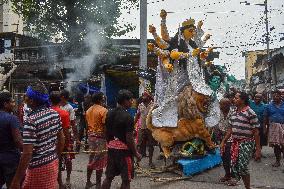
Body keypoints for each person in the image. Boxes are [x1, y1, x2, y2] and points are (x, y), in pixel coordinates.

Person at [10, 84, 65, 189]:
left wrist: (16, 180)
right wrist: (54, 156)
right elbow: (61, 140)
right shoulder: (54, 114)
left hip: (37, 168)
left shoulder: (31, 120)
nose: (24, 98)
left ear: (31, 101)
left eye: (26, 96)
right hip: (52, 163)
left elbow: (27, 153)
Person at [101, 90, 142, 189]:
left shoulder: (109, 113)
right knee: (126, 180)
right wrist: (136, 153)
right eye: (131, 100)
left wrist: (111, 143)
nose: (132, 102)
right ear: (125, 101)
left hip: (111, 149)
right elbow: (129, 138)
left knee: (109, 177)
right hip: (124, 153)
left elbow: (106, 132)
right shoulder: (128, 117)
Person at [221, 92, 261, 188]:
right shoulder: (234, 112)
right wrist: (224, 141)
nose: (234, 99)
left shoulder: (250, 112)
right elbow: (231, 128)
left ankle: (247, 187)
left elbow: (256, 132)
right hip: (235, 142)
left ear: (243, 100)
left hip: (246, 142)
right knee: (234, 164)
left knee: (243, 166)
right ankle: (237, 180)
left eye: (236, 98)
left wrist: (258, 150)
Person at [85, 92, 108, 189]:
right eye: (103, 98)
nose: (104, 99)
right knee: (100, 160)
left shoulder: (88, 110)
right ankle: (98, 184)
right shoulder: (103, 110)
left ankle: (88, 182)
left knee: (92, 158)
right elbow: (105, 126)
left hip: (91, 137)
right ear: (99, 100)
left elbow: (87, 126)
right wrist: (108, 138)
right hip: (100, 138)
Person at [0, 92, 23, 189]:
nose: (14, 104)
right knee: (13, 184)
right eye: (12, 102)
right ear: (5, 104)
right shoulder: (12, 118)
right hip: (11, 159)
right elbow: (18, 141)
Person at [50, 91, 71, 189]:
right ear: (60, 100)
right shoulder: (64, 113)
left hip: (48, 142)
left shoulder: (46, 111)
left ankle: (56, 182)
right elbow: (66, 132)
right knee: (60, 162)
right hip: (60, 142)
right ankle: (61, 183)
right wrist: (67, 144)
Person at [60, 89, 80, 186]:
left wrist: (76, 138)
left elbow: (73, 124)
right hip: (57, 136)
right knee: (58, 158)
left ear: (63, 97)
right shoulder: (57, 106)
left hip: (68, 135)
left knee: (68, 158)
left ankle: (68, 177)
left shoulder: (70, 108)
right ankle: (59, 179)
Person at [134, 92, 156, 168]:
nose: (143, 97)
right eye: (142, 96)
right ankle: (137, 163)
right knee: (138, 145)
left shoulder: (154, 105)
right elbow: (137, 115)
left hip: (150, 128)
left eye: (145, 96)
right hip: (142, 128)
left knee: (151, 145)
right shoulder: (140, 105)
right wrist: (133, 125)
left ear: (149, 97)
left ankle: (150, 162)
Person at [264, 90, 284, 167]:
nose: (275, 97)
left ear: (280, 96)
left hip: (283, 127)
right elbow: (265, 117)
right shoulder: (269, 106)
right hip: (273, 127)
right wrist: (265, 128)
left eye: (277, 96)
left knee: (283, 145)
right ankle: (277, 161)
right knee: (276, 145)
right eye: (274, 96)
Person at [218, 98, 233, 183]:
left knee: (229, 157)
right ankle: (227, 175)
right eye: (220, 104)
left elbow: (231, 129)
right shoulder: (219, 112)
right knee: (223, 157)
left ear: (228, 105)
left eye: (223, 104)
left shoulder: (233, 113)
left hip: (231, 137)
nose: (221, 106)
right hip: (222, 137)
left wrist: (224, 140)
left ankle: (231, 176)